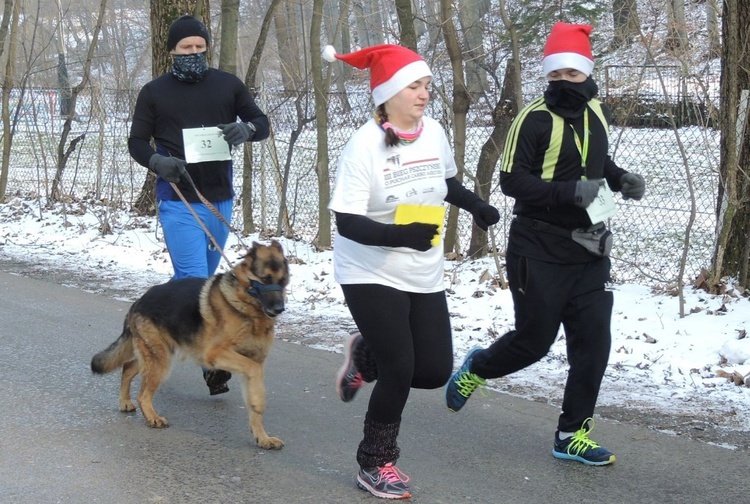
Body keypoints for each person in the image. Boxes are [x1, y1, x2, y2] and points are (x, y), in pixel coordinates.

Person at [444, 22, 645, 466]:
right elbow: (511, 181)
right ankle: (478, 367)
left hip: (591, 245)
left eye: (572, 75)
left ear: (586, 74)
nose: (563, 83)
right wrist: (570, 193)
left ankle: (571, 435)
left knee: (593, 344)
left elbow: (596, 159)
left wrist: (619, 178)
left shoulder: (596, 111)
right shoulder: (532, 118)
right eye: (555, 76)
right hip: (538, 247)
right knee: (534, 342)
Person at [323, 44, 500, 499]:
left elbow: (446, 182)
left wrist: (476, 205)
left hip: (422, 266)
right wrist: (398, 237)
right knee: (401, 367)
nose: (424, 94)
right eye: (414, 86)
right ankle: (375, 463)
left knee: (434, 369)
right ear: (388, 93)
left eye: (426, 85)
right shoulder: (362, 146)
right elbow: (345, 221)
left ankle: (366, 354)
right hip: (367, 267)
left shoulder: (434, 131)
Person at [128, 15, 270, 396]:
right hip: (178, 201)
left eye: (199, 47)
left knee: (208, 285)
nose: (194, 53)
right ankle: (209, 357)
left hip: (218, 197)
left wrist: (247, 130)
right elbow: (137, 142)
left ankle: (183, 338)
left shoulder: (227, 85)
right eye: (186, 48)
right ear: (172, 51)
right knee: (192, 280)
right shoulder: (154, 92)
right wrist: (157, 162)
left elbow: (261, 121)